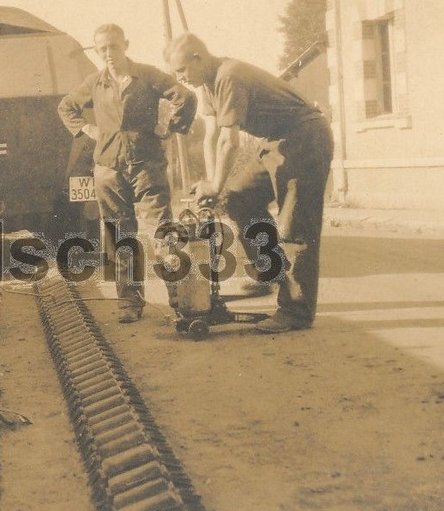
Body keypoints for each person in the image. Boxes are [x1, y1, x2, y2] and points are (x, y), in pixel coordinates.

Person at [164, 32, 334, 334]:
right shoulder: (208, 84)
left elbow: (229, 141)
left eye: (182, 70)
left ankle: (296, 312)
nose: (180, 78)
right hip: (276, 142)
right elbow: (211, 136)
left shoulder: (229, 76)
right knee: (238, 196)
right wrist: (212, 184)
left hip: (305, 137)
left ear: (198, 58)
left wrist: (215, 184)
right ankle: (271, 271)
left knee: (296, 226)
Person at [57, 23, 197, 323]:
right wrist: (88, 128)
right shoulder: (94, 82)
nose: (108, 53)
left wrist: (171, 128)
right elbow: (67, 107)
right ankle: (129, 303)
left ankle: (180, 299)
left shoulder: (147, 75)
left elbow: (185, 96)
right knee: (120, 236)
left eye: (113, 46)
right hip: (108, 169)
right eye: (102, 48)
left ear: (126, 45)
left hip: (147, 166)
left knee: (162, 233)